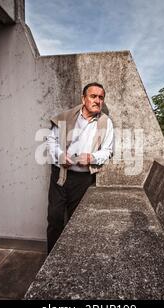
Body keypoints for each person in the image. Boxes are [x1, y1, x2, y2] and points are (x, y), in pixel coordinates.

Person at [46, 82, 114, 254]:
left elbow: (108, 150)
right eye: (93, 96)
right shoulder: (66, 117)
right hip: (60, 175)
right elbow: (51, 141)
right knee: (54, 218)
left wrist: (92, 158)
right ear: (83, 99)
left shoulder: (106, 122)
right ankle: (51, 259)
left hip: (83, 180)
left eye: (101, 97)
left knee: (76, 222)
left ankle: (71, 259)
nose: (98, 100)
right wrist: (60, 156)